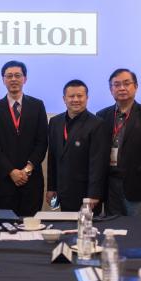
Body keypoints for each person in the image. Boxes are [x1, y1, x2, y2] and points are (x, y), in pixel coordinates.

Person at [96, 68, 141, 217]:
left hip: (138, 184)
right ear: (111, 89)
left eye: (126, 83)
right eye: (117, 84)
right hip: (110, 185)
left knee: (138, 228)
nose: (122, 88)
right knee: (113, 226)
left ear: (136, 86)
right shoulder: (102, 116)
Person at [0, 61, 48, 216]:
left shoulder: (37, 105)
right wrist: (11, 171)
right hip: (5, 181)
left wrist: (27, 170)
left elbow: (42, 141)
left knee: (31, 225)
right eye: (9, 76)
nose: (13, 79)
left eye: (17, 75)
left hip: (31, 181)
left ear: (25, 79)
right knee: (8, 225)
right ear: (3, 79)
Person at [46, 80, 109, 213]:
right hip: (62, 191)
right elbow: (52, 158)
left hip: (86, 194)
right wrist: (51, 188)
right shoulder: (55, 122)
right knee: (65, 225)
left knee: (87, 226)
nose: (75, 100)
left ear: (87, 98)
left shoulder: (97, 124)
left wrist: (94, 193)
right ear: (64, 99)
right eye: (71, 96)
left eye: (80, 96)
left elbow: (98, 163)